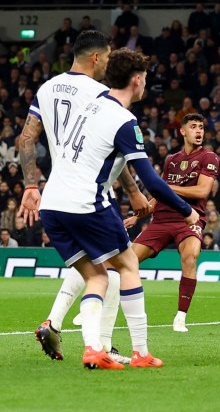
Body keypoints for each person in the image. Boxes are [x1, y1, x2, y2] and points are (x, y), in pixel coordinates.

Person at [38, 48, 199, 370]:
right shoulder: (125, 120)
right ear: (137, 81)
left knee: (97, 276)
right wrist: (186, 210)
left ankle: (93, 349)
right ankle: (141, 352)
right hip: (86, 203)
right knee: (126, 266)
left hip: (52, 204)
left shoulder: (91, 107)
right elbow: (152, 181)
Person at [18, 31, 151, 364]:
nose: (108, 63)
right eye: (107, 57)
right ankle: (104, 345)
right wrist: (134, 191)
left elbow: (25, 141)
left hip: (56, 191)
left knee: (94, 266)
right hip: (91, 190)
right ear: (96, 58)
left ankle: (60, 323)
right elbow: (107, 147)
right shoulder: (101, 94)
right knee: (118, 267)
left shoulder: (46, 88)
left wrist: (30, 186)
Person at [129, 113, 218, 332]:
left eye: (201, 128)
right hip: (161, 219)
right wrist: (137, 215)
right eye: (194, 127)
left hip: (189, 218)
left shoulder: (209, 157)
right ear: (183, 131)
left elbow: (202, 191)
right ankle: (97, 304)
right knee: (127, 260)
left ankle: (180, 316)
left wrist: (166, 187)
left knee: (190, 256)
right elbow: (158, 195)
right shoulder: (171, 160)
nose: (199, 131)